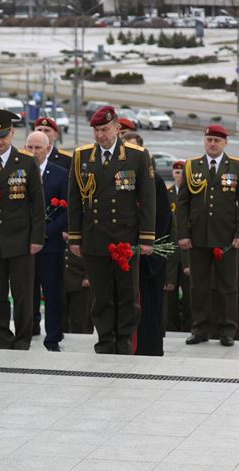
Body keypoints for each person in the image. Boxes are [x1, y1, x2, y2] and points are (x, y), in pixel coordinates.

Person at [67, 105, 156, 355]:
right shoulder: (82, 156)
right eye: (96, 130)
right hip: (94, 236)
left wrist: (147, 237)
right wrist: (75, 237)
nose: (100, 135)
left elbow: (147, 199)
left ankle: (124, 339)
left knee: (128, 293)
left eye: (105, 129)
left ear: (117, 128)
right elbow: (74, 199)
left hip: (125, 237)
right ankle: (105, 339)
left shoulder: (137, 156)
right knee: (101, 294)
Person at [0, 110, 44, 350]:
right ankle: (3, 337)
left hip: (21, 239)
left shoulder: (26, 161)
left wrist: (37, 238)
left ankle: (23, 338)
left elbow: (37, 204)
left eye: (3, 135)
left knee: (23, 293)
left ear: (12, 133)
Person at [176, 124, 239, 347]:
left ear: (225, 143)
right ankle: (200, 329)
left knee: (228, 286)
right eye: (209, 140)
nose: (213, 144)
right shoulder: (191, 166)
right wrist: (183, 234)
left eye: (217, 140)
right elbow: (182, 204)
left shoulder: (237, 166)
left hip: (227, 238)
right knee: (199, 286)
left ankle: (227, 330)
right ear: (204, 141)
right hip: (198, 237)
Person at [122, 131, 171, 356]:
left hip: (147, 258)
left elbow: (162, 219)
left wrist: (145, 248)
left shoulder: (155, 181)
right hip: (123, 255)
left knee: (148, 308)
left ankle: (148, 350)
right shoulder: (119, 178)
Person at [25, 130, 68, 351]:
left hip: (50, 244)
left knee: (52, 293)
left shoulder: (60, 174)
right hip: (24, 244)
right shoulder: (20, 172)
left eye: (38, 148)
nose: (33, 152)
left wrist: (43, 232)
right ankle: (28, 330)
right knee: (26, 292)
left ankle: (53, 337)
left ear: (48, 149)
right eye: (30, 147)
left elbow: (67, 211)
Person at [164, 160, 191, 331]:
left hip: (188, 250)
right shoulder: (167, 194)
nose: (179, 175)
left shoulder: (193, 193)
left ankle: (189, 326)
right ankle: (171, 326)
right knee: (170, 291)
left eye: (181, 173)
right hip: (172, 251)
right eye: (176, 172)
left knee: (190, 293)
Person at [64, 248, 93, 334]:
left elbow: (91, 255)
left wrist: (88, 276)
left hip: (80, 279)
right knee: (62, 319)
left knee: (81, 319)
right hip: (62, 279)